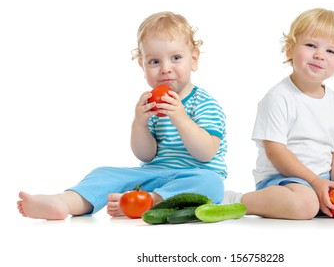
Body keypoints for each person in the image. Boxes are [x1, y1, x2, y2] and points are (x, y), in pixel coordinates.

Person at [17, 11, 227, 220]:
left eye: (176, 58)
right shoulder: (151, 105)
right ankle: (65, 202)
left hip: (193, 176)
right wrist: (140, 123)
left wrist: (181, 119)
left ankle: (149, 201)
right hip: (152, 174)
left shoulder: (205, 103)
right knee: (103, 173)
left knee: (212, 183)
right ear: (142, 67)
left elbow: (206, 153)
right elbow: (145, 156)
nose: (165, 69)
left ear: (194, 59)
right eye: (154, 62)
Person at [223, 8, 334, 219]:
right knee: (304, 205)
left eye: (331, 51)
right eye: (311, 45)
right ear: (289, 49)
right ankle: (238, 200)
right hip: (284, 179)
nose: (320, 55)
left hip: (324, 179)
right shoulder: (278, 97)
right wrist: (313, 181)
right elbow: (276, 151)